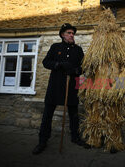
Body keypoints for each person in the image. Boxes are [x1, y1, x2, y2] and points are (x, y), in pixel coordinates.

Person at [32, 23, 86, 155]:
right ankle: (42, 141)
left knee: (74, 115)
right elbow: (46, 62)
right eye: (69, 33)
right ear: (62, 34)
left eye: (73, 33)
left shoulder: (78, 50)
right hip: (55, 86)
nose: (71, 35)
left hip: (71, 86)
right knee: (47, 115)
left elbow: (83, 67)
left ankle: (75, 137)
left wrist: (74, 70)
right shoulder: (55, 47)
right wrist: (59, 64)